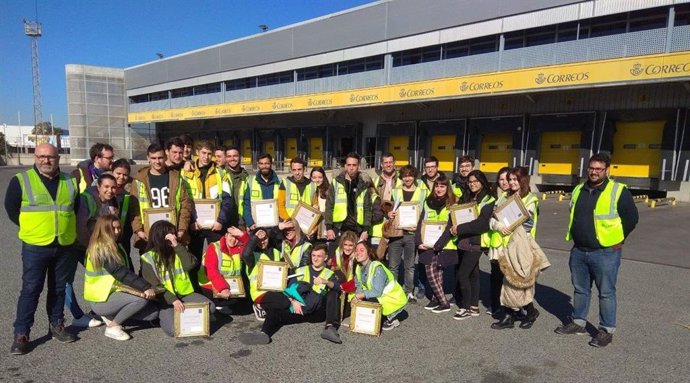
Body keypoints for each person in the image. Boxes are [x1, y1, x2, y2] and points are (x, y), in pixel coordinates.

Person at [555, 153, 638, 348]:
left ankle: (606, 330)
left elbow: (631, 218)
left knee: (606, 292)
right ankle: (578, 322)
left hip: (606, 252)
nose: (594, 172)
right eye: (591, 168)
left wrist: (619, 240)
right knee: (581, 289)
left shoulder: (618, 191)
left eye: (598, 169)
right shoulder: (578, 190)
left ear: (607, 169)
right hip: (579, 250)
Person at [5, 143, 79, 354]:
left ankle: (57, 325)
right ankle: (21, 334)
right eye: (41, 157)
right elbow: (12, 210)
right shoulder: (21, 180)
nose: (45, 161)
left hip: (64, 244)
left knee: (58, 288)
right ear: (36, 158)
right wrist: (32, 227)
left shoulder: (70, 181)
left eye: (50, 157)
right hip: (35, 245)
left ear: (58, 157)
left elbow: (75, 208)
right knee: (31, 290)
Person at [238, 244, 342, 345]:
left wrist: (326, 282)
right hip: (299, 308)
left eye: (319, 256)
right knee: (275, 312)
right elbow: (289, 288)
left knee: (332, 292)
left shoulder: (329, 274)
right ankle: (263, 334)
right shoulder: (302, 270)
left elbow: (338, 287)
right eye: (313, 255)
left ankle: (330, 328)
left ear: (325, 257)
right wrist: (293, 301)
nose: (315, 259)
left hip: (316, 312)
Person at [84, 215, 159, 341]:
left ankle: (110, 314)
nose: (118, 231)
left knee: (153, 314)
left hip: (114, 293)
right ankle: (113, 327)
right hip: (101, 299)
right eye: (113, 229)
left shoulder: (115, 244)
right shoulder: (101, 249)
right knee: (141, 301)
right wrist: (145, 287)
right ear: (104, 230)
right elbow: (120, 272)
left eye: (119, 228)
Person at [140, 220, 215, 337]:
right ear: (161, 237)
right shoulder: (148, 258)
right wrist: (173, 300)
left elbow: (191, 264)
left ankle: (186, 316)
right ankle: (164, 315)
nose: (174, 236)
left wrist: (176, 245)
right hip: (164, 299)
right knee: (174, 331)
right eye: (171, 235)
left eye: (174, 234)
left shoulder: (179, 250)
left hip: (185, 294)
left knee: (211, 308)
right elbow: (155, 285)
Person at [490, 167, 543, 330]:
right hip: (503, 246)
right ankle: (509, 315)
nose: (511, 182)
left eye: (515, 179)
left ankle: (530, 311)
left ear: (524, 181)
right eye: (510, 179)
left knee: (520, 281)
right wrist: (498, 225)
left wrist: (509, 223)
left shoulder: (530, 200)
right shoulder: (503, 197)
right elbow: (492, 219)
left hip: (521, 247)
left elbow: (528, 224)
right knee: (506, 282)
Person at [182, 140, 235, 288]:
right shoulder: (186, 172)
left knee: (218, 258)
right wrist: (190, 221)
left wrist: (220, 220)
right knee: (194, 260)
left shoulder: (221, 173)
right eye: (203, 153)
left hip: (215, 225)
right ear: (197, 153)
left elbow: (227, 199)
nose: (206, 157)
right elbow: (184, 200)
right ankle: (194, 289)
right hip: (195, 225)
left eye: (209, 154)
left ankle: (219, 289)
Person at [450, 170, 495, 320]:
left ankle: (465, 307)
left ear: (482, 182)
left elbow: (482, 224)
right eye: (470, 181)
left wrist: (459, 228)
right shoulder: (467, 197)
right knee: (473, 274)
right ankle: (474, 306)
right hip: (465, 240)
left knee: (462, 274)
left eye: (476, 181)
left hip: (477, 241)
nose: (473, 184)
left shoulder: (489, 199)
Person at [131, 143, 193, 248]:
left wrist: (182, 230)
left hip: (172, 231)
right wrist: (138, 230)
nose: (157, 161)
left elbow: (185, 205)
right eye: (153, 158)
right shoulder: (139, 179)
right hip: (148, 232)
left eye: (160, 158)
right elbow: (134, 208)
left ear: (165, 157)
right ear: (148, 158)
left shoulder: (176, 177)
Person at [416, 174, 457, 313]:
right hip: (428, 242)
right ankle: (437, 299)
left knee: (438, 272)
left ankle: (442, 302)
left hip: (444, 244)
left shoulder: (452, 203)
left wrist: (439, 244)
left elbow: (450, 227)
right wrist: (418, 241)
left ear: (447, 188)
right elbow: (421, 222)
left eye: (442, 186)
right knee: (431, 271)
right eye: (437, 186)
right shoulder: (428, 202)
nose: (439, 189)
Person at [386, 165, 427, 302]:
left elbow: (424, 213)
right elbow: (389, 207)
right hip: (396, 232)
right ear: (401, 177)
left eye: (410, 175)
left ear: (414, 176)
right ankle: (393, 291)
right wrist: (389, 213)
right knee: (393, 266)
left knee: (409, 265)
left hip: (412, 233)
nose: (407, 178)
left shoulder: (422, 192)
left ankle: (409, 291)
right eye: (405, 176)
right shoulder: (395, 191)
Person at [353, 241, 408, 331]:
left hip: (393, 299)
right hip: (379, 296)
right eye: (356, 250)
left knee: (370, 299)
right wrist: (357, 298)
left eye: (362, 250)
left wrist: (360, 295)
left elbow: (377, 291)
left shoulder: (377, 267)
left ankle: (392, 318)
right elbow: (358, 285)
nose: (358, 253)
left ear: (369, 252)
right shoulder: (359, 267)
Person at [241, 225, 289, 321]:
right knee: (284, 303)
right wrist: (255, 237)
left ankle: (269, 309)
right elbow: (245, 254)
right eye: (259, 239)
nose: (262, 242)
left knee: (290, 304)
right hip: (260, 292)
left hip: (276, 289)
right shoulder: (253, 256)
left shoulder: (276, 252)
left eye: (265, 238)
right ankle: (258, 306)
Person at [198, 226, 249, 313]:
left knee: (245, 303)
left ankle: (221, 306)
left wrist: (242, 235)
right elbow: (211, 271)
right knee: (237, 304)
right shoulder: (213, 247)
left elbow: (250, 247)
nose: (233, 240)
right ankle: (217, 306)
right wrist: (223, 288)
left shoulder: (239, 248)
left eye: (237, 237)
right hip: (210, 285)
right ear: (225, 235)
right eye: (231, 236)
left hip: (230, 284)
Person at [325, 152, 372, 243]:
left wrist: (366, 230)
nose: (351, 168)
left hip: (357, 228)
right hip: (338, 227)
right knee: (335, 256)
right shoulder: (336, 182)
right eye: (349, 165)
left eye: (354, 165)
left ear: (358, 166)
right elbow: (329, 206)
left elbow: (367, 209)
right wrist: (329, 227)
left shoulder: (363, 185)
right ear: (345, 166)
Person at [486, 166, 511, 317]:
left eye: (507, 179)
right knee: (495, 277)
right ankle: (495, 304)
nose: (504, 182)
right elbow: (490, 220)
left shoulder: (517, 197)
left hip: (511, 245)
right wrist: (497, 225)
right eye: (501, 179)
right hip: (496, 244)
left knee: (510, 278)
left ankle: (510, 306)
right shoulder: (498, 198)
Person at [242, 153, 282, 231]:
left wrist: (281, 222)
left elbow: (283, 205)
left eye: (267, 163)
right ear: (258, 165)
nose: (264, 166)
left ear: (271, 164)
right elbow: (246, 204)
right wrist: (250, 223)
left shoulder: (280, 182)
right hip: (257, 226)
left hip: (276, 227)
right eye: (261, 164)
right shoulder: (250, 181)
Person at [110, 158, 139, 265]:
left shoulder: (132, 187)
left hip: (125, 229)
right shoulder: (103, 184)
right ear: (112, 171)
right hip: (108, 228)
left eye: (125, 175)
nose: (121, 177)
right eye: (118, 173)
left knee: (125, 255)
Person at [226, 146, 249, 228]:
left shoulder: (247, 177)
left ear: (240, 157)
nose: (232, 159)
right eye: (229, 156)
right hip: (224, 222)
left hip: (241, 222)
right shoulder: (220, 174)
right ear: (225, 158)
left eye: (235, 156)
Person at [309, 166, 330, 240]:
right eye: (314, 178)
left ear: (324, 177)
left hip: (323, 225)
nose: (317, 180)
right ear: (311, 178)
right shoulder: (308, 191)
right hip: (311, 225)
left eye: (320, 177)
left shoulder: (329, 191)